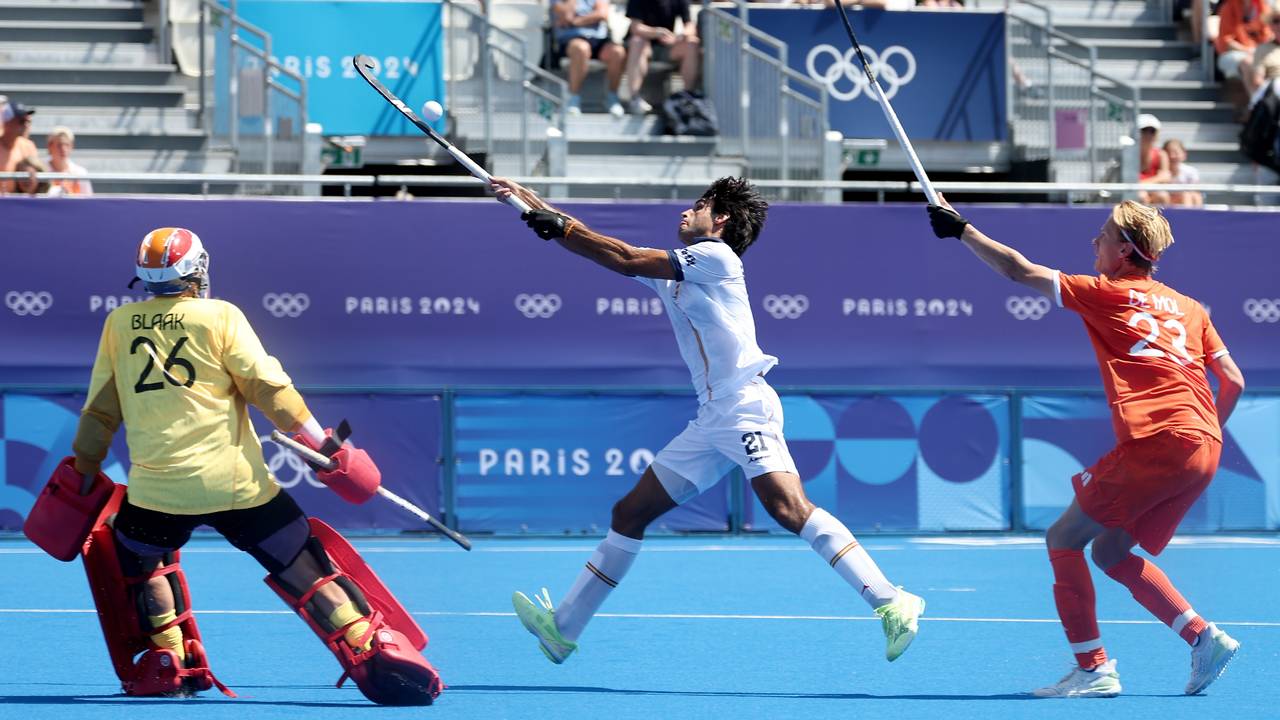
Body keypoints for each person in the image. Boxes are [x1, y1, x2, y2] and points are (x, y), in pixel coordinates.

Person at [489, 175, 926, 667]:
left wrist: (560, 225)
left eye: (698, 206)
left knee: (788, 509)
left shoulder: (718, 258)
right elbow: (602, 247)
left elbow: (624, 256)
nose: (685, 212)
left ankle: (890, 599)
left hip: (744, 405)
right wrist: (521, 200)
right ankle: (563, 629)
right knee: (629, 514)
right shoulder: (675, 271)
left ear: (720, 220)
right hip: (711, 419)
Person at [38, 227, 442, 704]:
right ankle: (365, 642)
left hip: (156, 492)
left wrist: (82, 473)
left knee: (141, 561)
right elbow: (268, 388)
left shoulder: (120, 324)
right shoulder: (221, 315)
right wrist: (325, 444)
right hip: (237, 487)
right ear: (198, 271)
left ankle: (169, 658)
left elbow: (100, 411)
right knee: (305, 566)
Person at [926, 199, 1245, 698]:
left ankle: (1093, 668)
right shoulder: (1188, 307)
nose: (1093, 243)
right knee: (1111, 549)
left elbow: (1018, 270)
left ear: (1123, 251)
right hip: (1205, 446)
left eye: (1101, 235)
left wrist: (962, 230)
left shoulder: (1108, 293)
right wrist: (1204, 431)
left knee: (1063, 538)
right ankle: (1203, 638)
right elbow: (1233, 380)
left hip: (1160, 441)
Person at [624, 0, 700, 115]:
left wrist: (678, 37)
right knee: (637, 41)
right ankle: (634, 98)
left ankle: (686, 98)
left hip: (667, 48)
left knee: (692, 43)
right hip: (642, 47)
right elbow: (635, 27)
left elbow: (690, 26)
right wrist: (657, 32)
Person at [552, 0, 626, 117]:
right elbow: (566, 16)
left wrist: (577, 21)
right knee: (581, 48)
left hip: (598, 41)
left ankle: (612, 98)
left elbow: (602, 14)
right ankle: (573, 99)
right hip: (571, 42)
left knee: (617, 52)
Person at [1215, 0, 1272, 98]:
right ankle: (1256, 103)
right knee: (1248, 63)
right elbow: (1226, 41)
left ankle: (1261, 102)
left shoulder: (1263, 7)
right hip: (1231, 52)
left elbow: (1268, 35)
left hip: (1259, 51)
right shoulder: (1228, 7)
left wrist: (1258, 52)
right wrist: (1248, 50)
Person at [0, 101, 38, 195]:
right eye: (21, 121)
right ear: (7, 122)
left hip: (21, 203)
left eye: (28, 121)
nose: (26, 125)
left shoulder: (28, 146)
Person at [45, 126, 93, 196]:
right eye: (59, 145)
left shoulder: (80, 173)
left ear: (71, 147)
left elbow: (88, 200)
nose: (63, 149)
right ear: (49, 146)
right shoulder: (41, 171)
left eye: (67, 145)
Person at [1137, 114, 1171, 206]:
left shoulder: (1161, 155)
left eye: (1152, 131)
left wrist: (1141, 184)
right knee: (1141, 196)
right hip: (1137, 194)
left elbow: (1165, 178)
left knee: (1162, 196)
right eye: (1144, 131)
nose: (1148, 134)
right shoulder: (1129, 155)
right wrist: (1157, 179)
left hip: (1153, 191)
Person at [1163, 139, 1203, 207]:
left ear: (1184, 154)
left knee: (1195, 197)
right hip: (1165, 203)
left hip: (1185, 200)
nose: (1172, 156)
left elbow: (1194, 192)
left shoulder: (1191, 171)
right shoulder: (1159, 171)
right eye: (1168, 153)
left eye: (1176, 152)